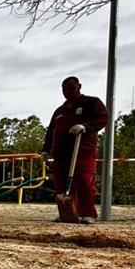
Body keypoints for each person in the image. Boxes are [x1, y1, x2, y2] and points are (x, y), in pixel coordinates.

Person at [42, 76, 109, 223]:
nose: (67, 91)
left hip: (82, 150)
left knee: (84, 181)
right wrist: (46, 149)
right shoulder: (60, 110)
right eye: (64, 89)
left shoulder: (91, 103)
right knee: (61, 183)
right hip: (60, 152)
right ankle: (67, 213)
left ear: (79, 86)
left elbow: (103, 118)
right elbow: (51, 131)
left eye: (71, 88)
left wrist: (85, 126)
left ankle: (87, 213)